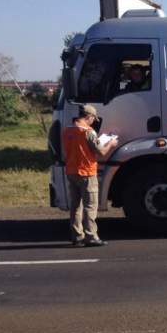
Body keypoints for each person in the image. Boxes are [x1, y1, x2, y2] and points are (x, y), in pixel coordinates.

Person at [62, 105, 118, 247]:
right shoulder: (88, 132)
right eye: (93, 118)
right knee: (90, 206)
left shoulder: (67, 130)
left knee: (76, 206)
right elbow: (101, 152)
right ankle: (91, 236)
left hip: (71, 171)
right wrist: (111, 144)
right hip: (87, 172)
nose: (93, 121)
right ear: (89, 116)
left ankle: (77, 236)